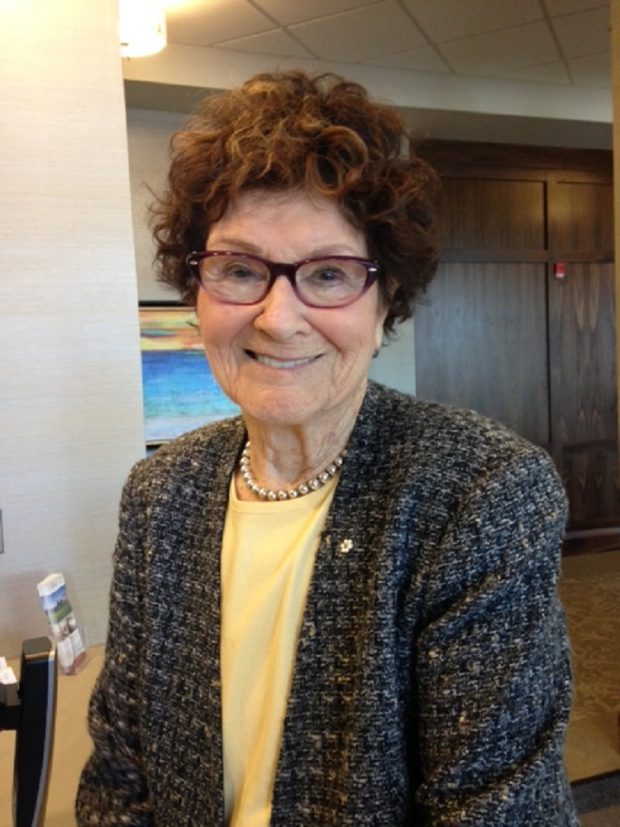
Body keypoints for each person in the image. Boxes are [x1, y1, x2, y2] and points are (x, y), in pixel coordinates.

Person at [76, 71, 576, 825]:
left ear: (386, 305)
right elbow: (119, 782)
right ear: (198, 289)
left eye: (330, 274)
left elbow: (498, 811)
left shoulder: (478, 492)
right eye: (241, 269)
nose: (279, 318)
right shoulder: (160, 490)